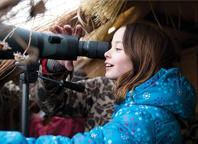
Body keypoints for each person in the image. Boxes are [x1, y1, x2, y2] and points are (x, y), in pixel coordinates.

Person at [34, 22, 196, 143]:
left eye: (118, 48)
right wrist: (53, 67)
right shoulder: (100, 87)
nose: (106, 53)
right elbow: (52, 105)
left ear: (144, 57)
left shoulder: (170, 112)